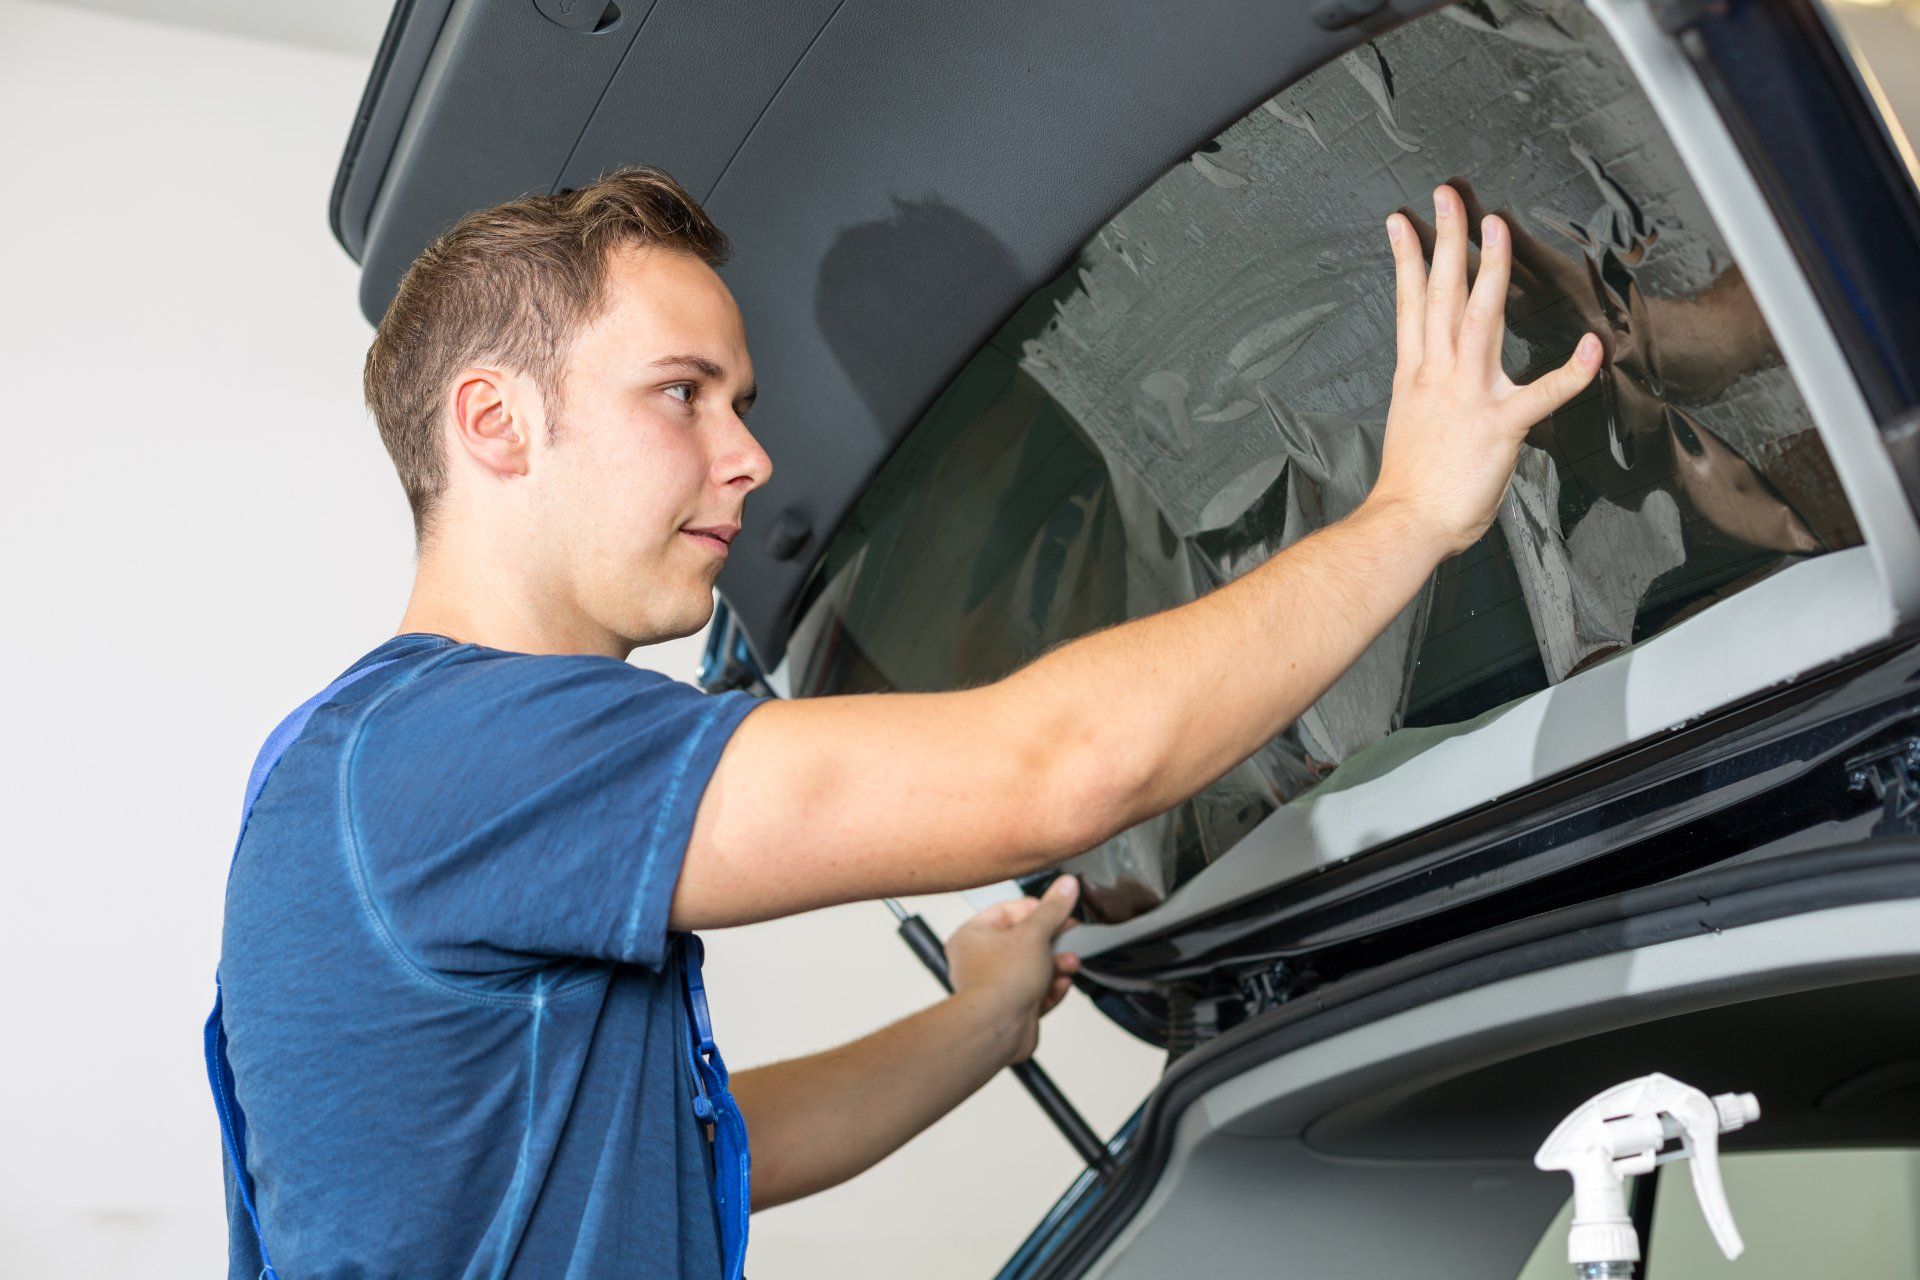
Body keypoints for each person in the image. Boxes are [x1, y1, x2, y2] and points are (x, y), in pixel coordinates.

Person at [215, 166, 1601, 1279]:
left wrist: (980, 1024)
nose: (750, 455)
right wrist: (1413, 510)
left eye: (741, 405)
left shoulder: (357, 764)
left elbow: (695, 1151)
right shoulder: (462, 754)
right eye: (680, 394)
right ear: (496, 424)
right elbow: (1054, 771)